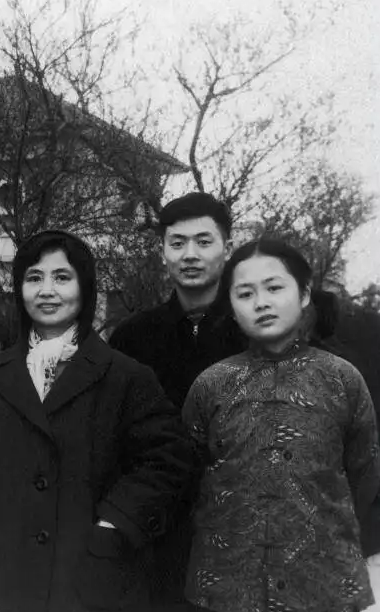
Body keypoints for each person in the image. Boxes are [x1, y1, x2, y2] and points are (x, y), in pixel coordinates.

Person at [0, 230, 194, 612]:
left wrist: (113, 526)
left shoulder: (127, 377)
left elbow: (166, 461)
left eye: (62, 277)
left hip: (91, 577)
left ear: (85, 287)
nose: (47, 290)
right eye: (34, 278)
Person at [183, 237, 380, 612]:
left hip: (325, 584)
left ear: (304, 294)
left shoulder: (343, 380)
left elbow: (365, 475)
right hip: (226, 585)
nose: (261, 302)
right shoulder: (211, 385)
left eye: (274, 288)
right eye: (245, 294)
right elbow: (189, 476)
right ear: (232, 307)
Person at [108, 192, 246, 611]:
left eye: (204, 242)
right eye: (178, 242)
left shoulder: (255, 333)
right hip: (158, 538)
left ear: (227, 248)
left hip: (243, 533)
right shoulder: (132, 338)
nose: (190, 255)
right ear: (162, 251)